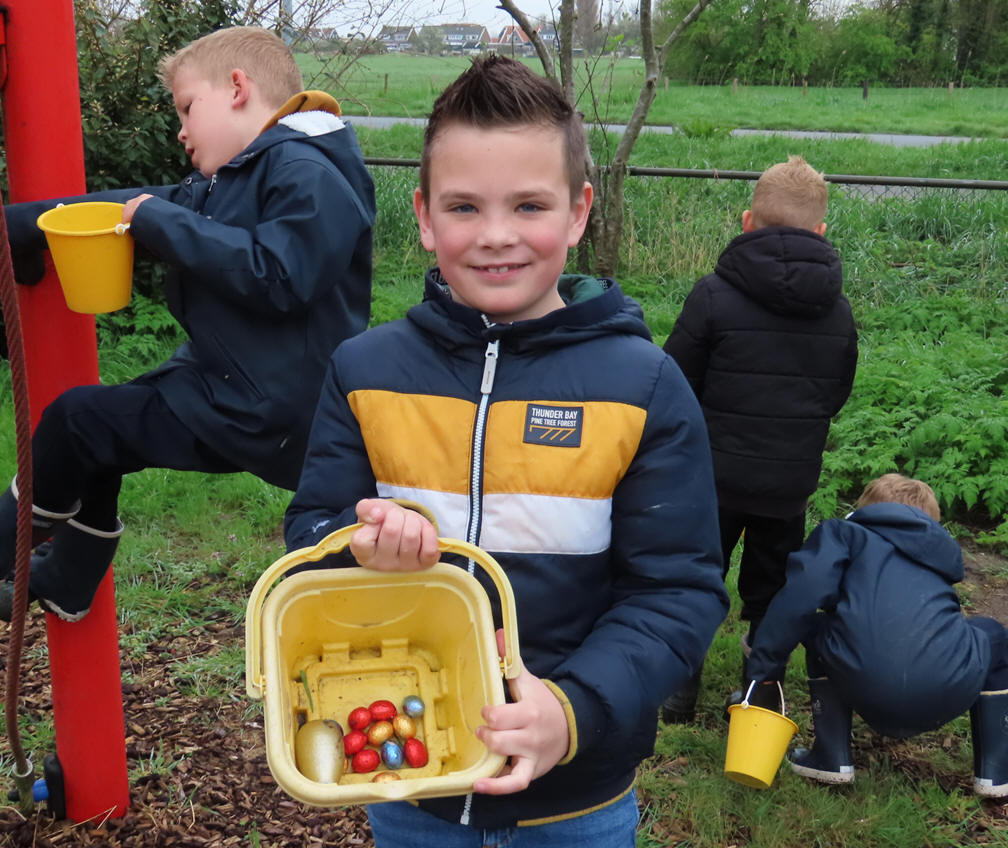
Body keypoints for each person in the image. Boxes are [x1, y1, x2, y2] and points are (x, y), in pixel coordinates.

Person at [284, 55, 728, 845]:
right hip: (408, 784)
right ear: (423, 215)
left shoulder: (644, 386)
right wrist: (357, 547)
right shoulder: (365, 371)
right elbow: (312, 535)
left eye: (529, 205)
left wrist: (572, 712)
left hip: (577, 801)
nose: (495, 237)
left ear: (579, 211)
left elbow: (678, 593)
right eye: (464, 207)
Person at [0, 26, 375, 621]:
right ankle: (70, 576)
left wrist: (161, 225)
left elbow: (281, 275)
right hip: (231, 386)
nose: (179, 130)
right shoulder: (234, 177)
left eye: (186, 107)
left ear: (236, 88)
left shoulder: (311, 170)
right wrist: (21, 225)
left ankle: (10, 546)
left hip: (274, 407)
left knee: (77, 421)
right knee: (96, 432)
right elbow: (135, 206)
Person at [661, 155, 858, 721]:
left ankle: (679, 692)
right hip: (787, 479)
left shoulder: (713, 294)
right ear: (821, 232)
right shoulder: (837, 310)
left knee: (697, 572)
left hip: (712, 476)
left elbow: (675, 379)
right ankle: (759, 686)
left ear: (748, 222)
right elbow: (835, 390)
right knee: (772, 583)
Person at [745, 473, 1008, 796]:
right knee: (992, 634)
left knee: (818, 628)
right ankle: (995, 772)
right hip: (949, 688)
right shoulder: (939, 551)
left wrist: (764, 670)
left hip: (865, 677)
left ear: (866, 510)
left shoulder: (844, 534)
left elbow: (801, 597)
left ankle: (831, 757)